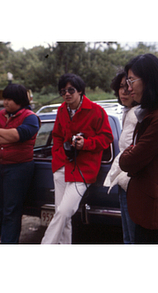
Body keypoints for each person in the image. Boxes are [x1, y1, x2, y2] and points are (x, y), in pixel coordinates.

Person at [41, 73, 113, 244]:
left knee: (64, 212)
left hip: (83, 170)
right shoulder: (61, 110)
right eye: (63, 91)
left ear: (80, 91)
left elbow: (107, 138)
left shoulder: (96, 111)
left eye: (71, 90)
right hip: (62, 166)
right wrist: (58, 154)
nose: (67, 94)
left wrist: (86, 143)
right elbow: (57, 135)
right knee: (62, 216)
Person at [119, 53, 158, 244]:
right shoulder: (150, 113)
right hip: (147, 204)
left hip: (154, 209)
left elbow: (127, 161)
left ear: (149, 80)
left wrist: (129, 151)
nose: (128, 88)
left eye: (131, 81)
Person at [0, 84, 40, 243]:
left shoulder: (30, 117)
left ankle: (8, 243)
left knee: (11, 210)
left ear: (19, 100)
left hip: (19, 168)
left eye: (9, 99)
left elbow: (20, 134)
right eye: (4, 98)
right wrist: (7, 137)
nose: (5, 102)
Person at [103, 70, 138, 244]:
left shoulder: (139, 114)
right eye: (120, 87)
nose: (123, 91)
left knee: (132, 237)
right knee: (127, 236)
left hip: (132, 181)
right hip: (124, 180)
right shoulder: (127, 112)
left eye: (128, 87)